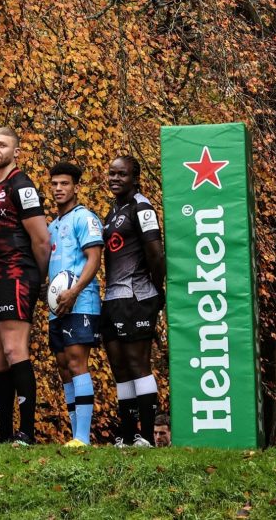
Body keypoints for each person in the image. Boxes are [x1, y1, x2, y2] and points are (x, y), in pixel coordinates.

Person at [0, 128, 50, 445]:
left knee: (13, 349)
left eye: (2, 145)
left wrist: (39, 280)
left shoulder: (22, 185)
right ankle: (4, 432)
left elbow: (42, 240)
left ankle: (27, 432)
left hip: (18, 274)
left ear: (16, 151)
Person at [101, 155, 166, 448]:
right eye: (112, 174)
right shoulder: (114, 210)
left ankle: (148, 436)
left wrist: (156, 288)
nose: (115, 179)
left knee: (138, 364)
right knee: (119, 367)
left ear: (135, 178)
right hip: (113, 297)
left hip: (137, 296)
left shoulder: (142, 207)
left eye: (121, 175)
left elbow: (155, 252)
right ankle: (128, 436)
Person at [47, 161, 103, 447]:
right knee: (62, 366)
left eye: (64, 184)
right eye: (54, 184)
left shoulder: (84, 218)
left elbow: (94, 259)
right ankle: (74, 436)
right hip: (57, 308)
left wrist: (74, 292)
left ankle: (83, 437)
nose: (58, 189)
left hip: (81, 303)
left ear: (76, 187)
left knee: (77, 362)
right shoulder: (52, 225)